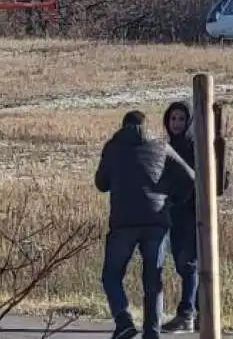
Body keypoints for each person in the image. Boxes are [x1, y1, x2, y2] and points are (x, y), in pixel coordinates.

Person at [95, 110, 196, 339]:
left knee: (111, 275)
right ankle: (152, 333)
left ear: (123, 126)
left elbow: (101, 183)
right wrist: (172, 198)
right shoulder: (160, 146)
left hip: (123, 221)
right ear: (146, 125)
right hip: (156, 220)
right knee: (153, 279)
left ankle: (124, 321)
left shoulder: (113, 147)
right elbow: (190, 176)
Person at [160, 101, 199, 333]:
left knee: (188, 264)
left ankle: (186, 314)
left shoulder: (192, 147)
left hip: (191, 213)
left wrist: (178, 199)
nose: (176, 123)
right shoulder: (168, 146)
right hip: (174, 214)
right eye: (173, 119)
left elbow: (192, 181)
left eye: (181, 119)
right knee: (184, 265)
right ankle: (199, 313)